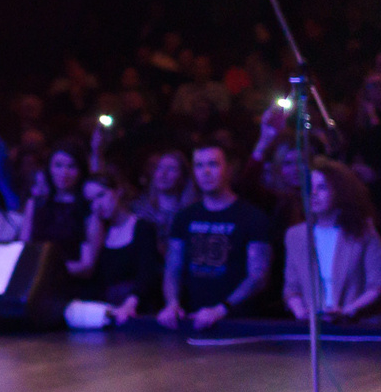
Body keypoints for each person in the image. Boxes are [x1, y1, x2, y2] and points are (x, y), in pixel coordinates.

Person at [156, 142, 275, 331]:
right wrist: (172, 303)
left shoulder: (252, 217)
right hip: (191, 319)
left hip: (238, 323)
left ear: (229, 169)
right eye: (199, 166)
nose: (206, 172)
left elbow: (258, 276)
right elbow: (173, 268)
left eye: (213, 164)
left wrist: (221, 309)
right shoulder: (184, 217)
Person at [280, 160, 381, 324]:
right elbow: (292, 288)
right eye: (310, 187)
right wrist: (301, 313)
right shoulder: (295, 235)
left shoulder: (363, 232)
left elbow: (378, 285)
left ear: (341, 191)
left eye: (322, 187)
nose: (313, 193)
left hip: (358, 325)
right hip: (313, 327)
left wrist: (348, 311)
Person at [63, 170, 159, 323]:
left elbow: (146, 275)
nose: (97, 205)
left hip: (136, 312)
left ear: (118, 191)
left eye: (101, 195)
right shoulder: (98, 233)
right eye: (91, 201)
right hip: (104, 313)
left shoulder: (142, 228)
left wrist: (129, 305)